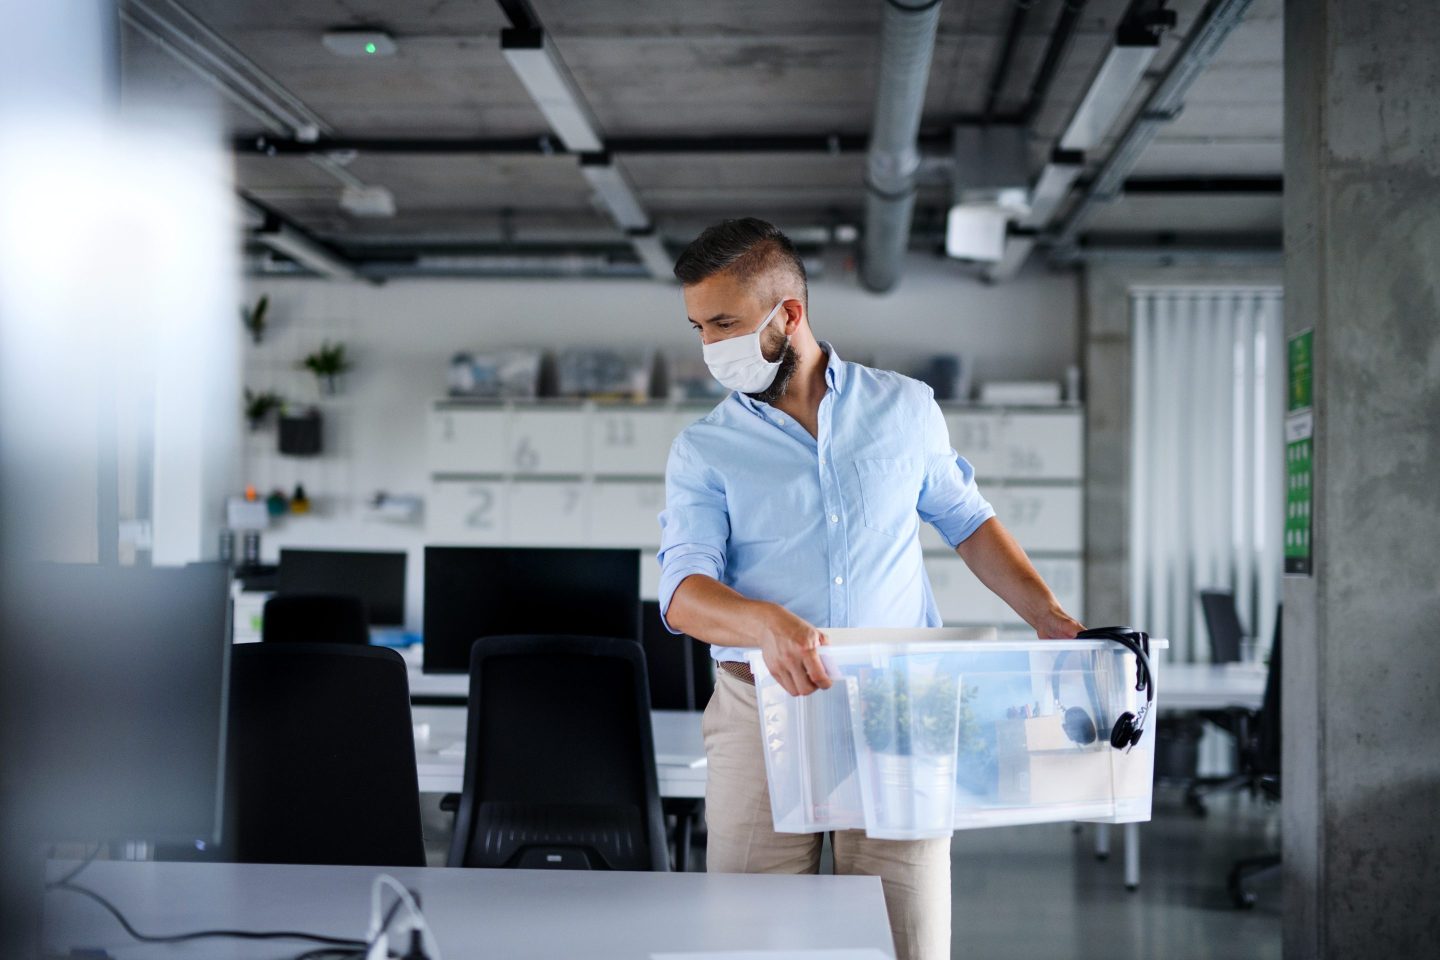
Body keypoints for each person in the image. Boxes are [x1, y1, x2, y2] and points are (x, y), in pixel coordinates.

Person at [657, 218, 1084, 960]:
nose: (709, 346)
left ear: (787, 314)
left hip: (900, 711)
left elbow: (968, 522)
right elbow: (682, 592)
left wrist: (1049, 617)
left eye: (724, 323)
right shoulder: (704, 447)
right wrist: (763, 623)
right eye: (698, 326)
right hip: (761, 713)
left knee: (907, 940)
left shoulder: (905, 409)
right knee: (750, 947)